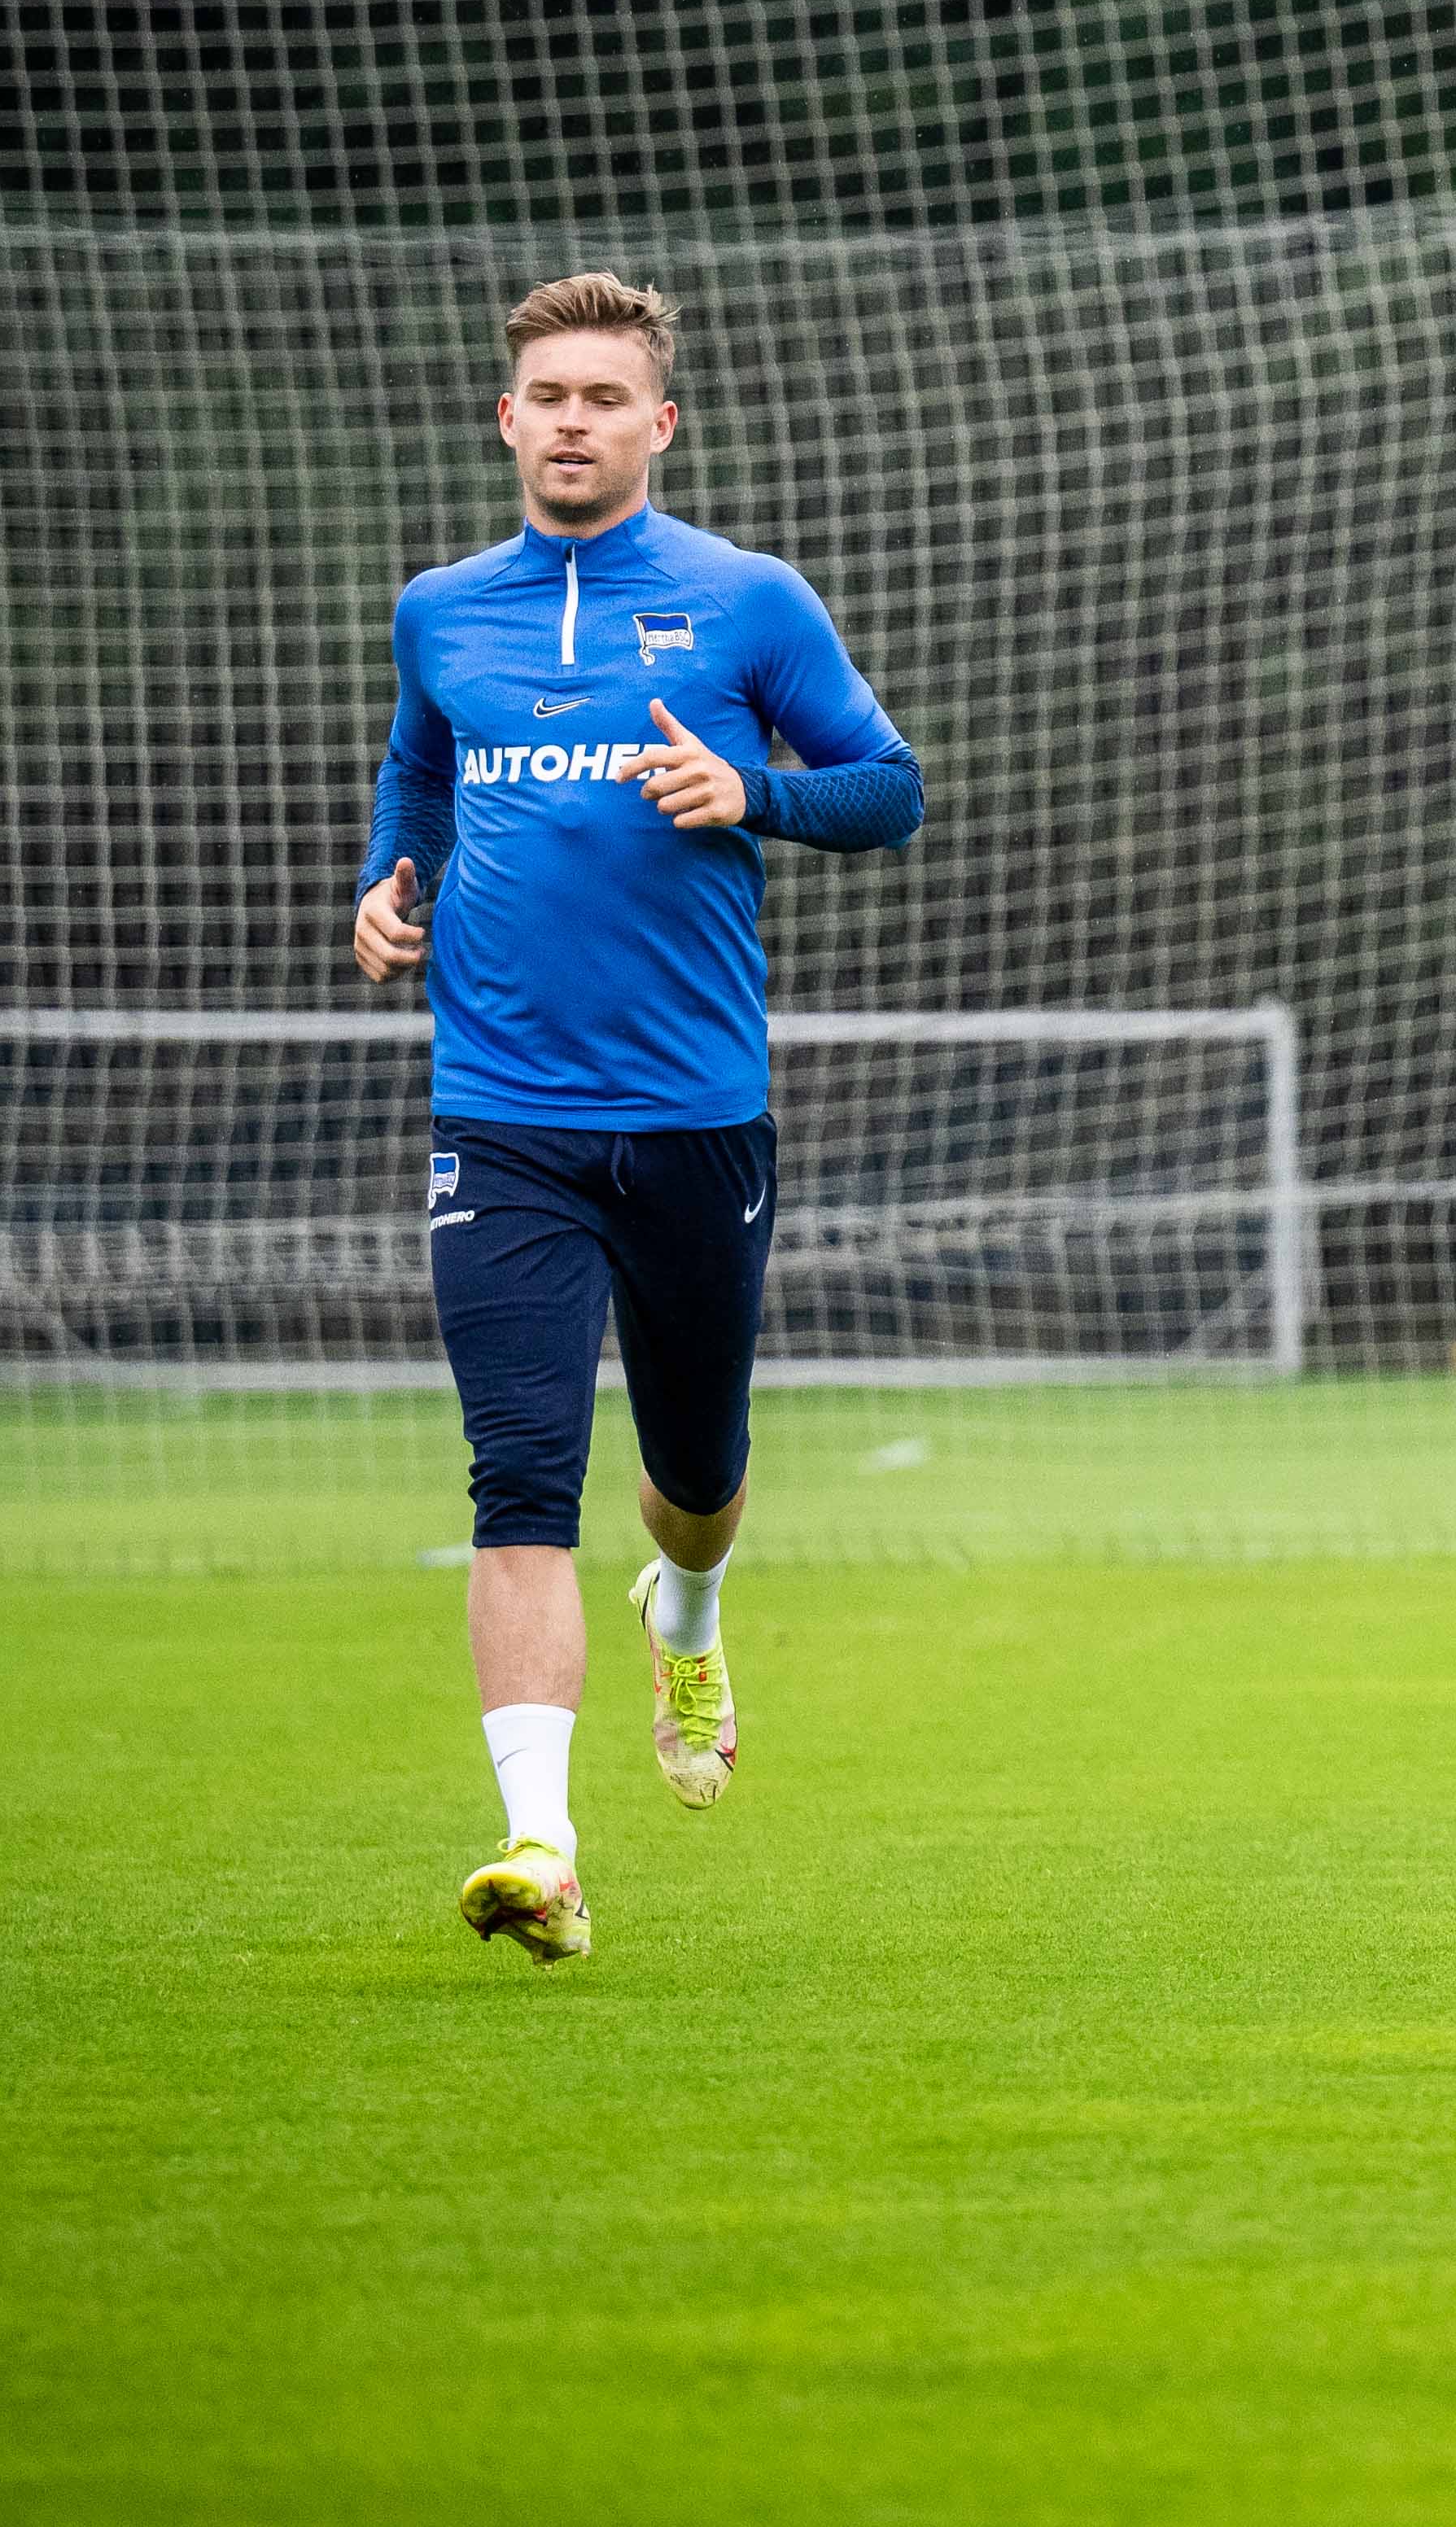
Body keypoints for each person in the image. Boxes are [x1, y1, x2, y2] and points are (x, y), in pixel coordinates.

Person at [352, 273, 925, 1966]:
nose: (578, 419)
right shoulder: (441, 611)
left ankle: (690, 1605)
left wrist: (753, 791)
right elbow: (420, 778)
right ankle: (542, 1845)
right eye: (552, 394)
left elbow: (890, 789)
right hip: (502, 1114)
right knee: (518, 1476)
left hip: (694, 1117)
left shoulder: (748, 604)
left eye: (610, 395)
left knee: (695, 1473)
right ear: (508, 418)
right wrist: (389, 888)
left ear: (658, 425)